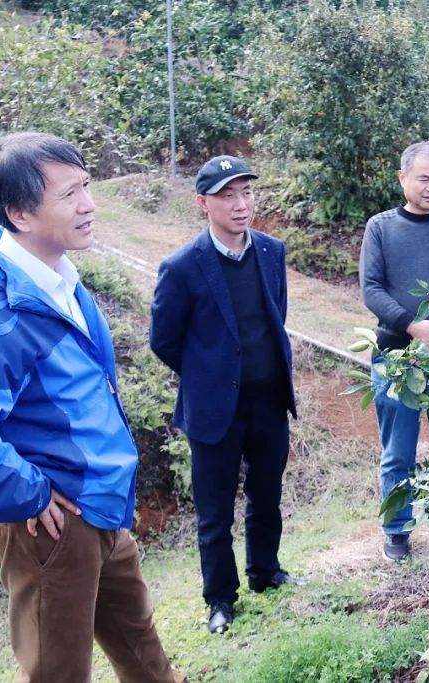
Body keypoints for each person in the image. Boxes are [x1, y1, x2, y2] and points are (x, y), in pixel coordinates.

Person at [0, 132, 185, 682]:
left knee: (147, 661)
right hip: (53, 528)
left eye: (87, 185)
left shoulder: (55, 276)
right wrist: (27, 491)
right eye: (68, 194)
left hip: (99, 506)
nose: (88, 204)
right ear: (19, 214)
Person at [150, 155, 299, 635]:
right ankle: (220, 598)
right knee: (214, 511)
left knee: (267, 494)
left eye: (246, 193)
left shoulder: (271, 251)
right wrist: (208, 376)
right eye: (227, 196)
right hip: (214, 409)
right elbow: (163, 340)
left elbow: (275, 315)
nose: (240, 205)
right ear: (203, 203)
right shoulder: (182, 267)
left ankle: (265, 572)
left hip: (268, 400)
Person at [359, 141, 429, 563]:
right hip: (396, 357)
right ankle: (397, 530)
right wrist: (411, 325)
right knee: (398, 449)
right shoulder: (381, 227)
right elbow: (371, 288)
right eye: (424, 178)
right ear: (403, 178)